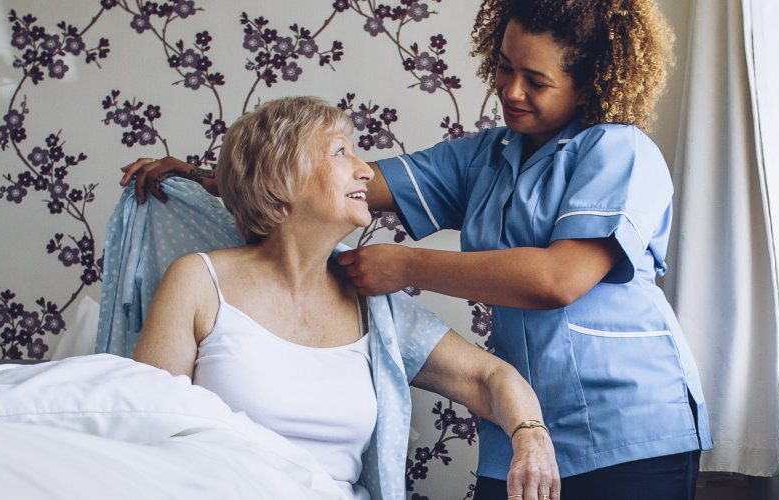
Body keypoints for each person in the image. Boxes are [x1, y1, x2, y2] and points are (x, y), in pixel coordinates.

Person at [122, 1, 707, 498]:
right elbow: (324, 182)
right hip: (520, 427)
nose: (510, 89)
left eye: (536, 79)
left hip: (627, 424)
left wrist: (406, 265)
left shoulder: (619, 151)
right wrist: (207, 176)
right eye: (504, 69)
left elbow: (559, 279)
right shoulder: (485, 157)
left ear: (590, 82)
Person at [131, 96, 560, 500]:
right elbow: (145, 430)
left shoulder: (373, 308)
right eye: (341, 152)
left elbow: (490, 378)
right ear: (280, 177)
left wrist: (530, 435)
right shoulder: (198, 280)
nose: (367, 171)